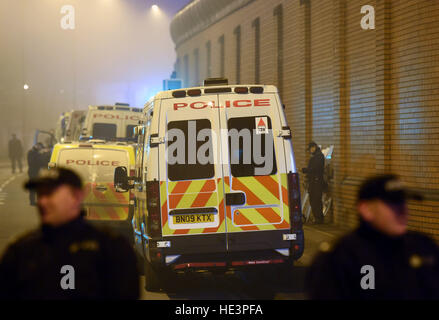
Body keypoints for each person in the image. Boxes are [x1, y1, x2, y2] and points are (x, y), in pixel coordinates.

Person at [0, 167, 139, 300]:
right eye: (40, 194)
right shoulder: (21, 251)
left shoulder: (110, 248)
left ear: (76, 197)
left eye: (49, 193)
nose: (42, 201)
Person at [306, 174, 439, 300]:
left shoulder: (423, 247)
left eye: (403, 202)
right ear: (366, 209)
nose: (402, 210)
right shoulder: (340, 257)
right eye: (392, 204)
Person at [302, 141, 325, 224]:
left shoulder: (319, 157)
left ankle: (319, 219)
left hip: (316, 182)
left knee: (316, 201)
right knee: (313, 200)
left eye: (310, 149)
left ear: (314, 147)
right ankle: (317, 218)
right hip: (314, 181)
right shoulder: (316, 156)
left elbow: (315, 169)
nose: (310, 151)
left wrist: (305, 170)